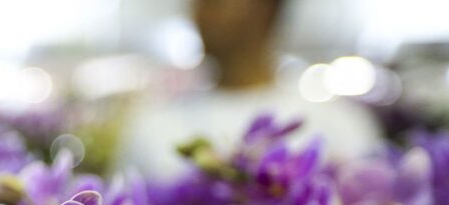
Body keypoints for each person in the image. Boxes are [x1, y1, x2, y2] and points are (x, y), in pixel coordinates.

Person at [121, 0, 381, 180]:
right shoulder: (154, 124)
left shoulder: (337, 124)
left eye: (214, 1)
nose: (199, 14)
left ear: (266, 9)